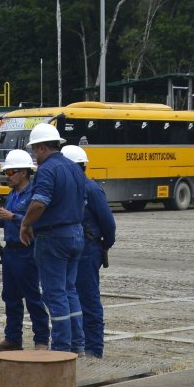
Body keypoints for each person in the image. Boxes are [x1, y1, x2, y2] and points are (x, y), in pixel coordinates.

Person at [18, 123, 86, 353]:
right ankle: (77, 345)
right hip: (76, 233)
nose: (34, 156)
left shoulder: (48, 169)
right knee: (69, 291)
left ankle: (61, 349)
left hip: (54, 236)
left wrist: (25, 223)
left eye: (34, 150)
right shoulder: (74, 168)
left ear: (40, 148)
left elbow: (39, 203)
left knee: (55, 294)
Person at [0, 149, 49, 351]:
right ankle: (13, 338)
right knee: (10, 297)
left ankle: (41, 340)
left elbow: (34, 223)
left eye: (11, 172)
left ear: (24, 173)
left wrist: (11, 217)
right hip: (10, 252)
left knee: (32, 298)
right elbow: (11, 223)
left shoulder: (33, 196)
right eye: (7, 172)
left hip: (26, 252)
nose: (7, 176)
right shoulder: (13, 195)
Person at [62, 145, 117, 359]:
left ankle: (94, 349)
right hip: (73, 249)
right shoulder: (69, 189)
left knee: (89, 300)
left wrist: (103, 246)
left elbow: (108, 224)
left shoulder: (90, 189)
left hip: (88, 250)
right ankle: (78, 344)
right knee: (70, 298)